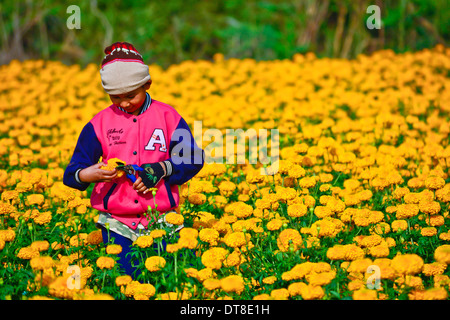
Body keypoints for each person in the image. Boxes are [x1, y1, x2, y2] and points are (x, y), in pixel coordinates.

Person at [63, 42, 204, 277]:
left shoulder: (168, 117)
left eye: (131, 95)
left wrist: (163, 168)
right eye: (115, 97)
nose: (124, 103)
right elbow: (72, 172)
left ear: (147, 84)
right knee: (128, 282)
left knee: (178, 280)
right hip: (117, 222)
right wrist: (89, 174)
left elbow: (193, 157)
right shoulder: (99, 123)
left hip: (164, 219)